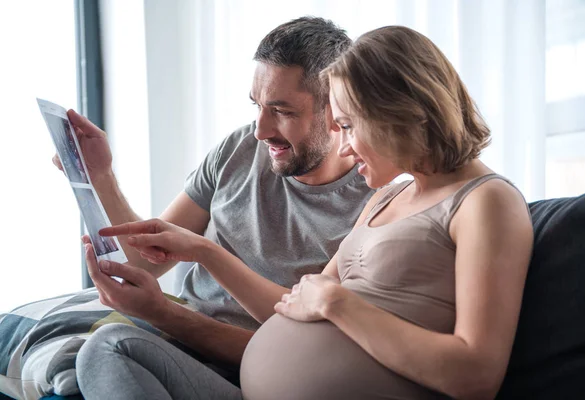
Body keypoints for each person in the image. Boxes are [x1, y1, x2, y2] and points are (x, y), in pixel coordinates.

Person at [79, 25, 534, 400]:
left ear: (400, 112)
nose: (346, 144)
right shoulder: (388, 198)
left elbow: (476, 376)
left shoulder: (485, 201)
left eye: (349, 124)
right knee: (102, 345)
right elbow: (290, 308)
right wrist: (204, 252)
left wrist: (337, 303)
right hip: (260, 381)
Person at [47, 16, 372, 391]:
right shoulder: (239, 149)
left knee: (106, 348)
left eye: (282, 111)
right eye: (258, 106)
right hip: (177, 344)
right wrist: (99, 176)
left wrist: (166, 312)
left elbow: (301, 353)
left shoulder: (374, 206)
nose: (260, 130)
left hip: (256, 373)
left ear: (337, 111)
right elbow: (143, 260)